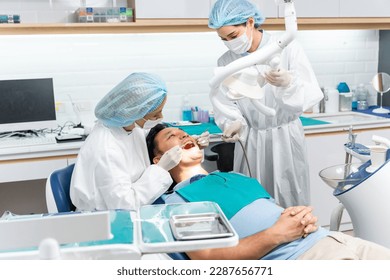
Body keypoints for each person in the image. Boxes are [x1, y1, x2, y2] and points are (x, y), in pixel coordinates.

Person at [145, 124, 390, 260]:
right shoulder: (180, 199)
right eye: (171, 136)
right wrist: (277, 233)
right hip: (302, 257)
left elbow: (275, 214)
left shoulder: (235, 177)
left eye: (184, 133)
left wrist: (298, 218)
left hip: (333, 239)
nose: (182, 135)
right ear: (159, 159)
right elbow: (208, 258)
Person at [208, 0, 324, 207]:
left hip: (285, 137)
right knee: (253, 201)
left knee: (290, 199)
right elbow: (227, 102)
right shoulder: (226, 61)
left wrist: (289, 84)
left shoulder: (287, 47)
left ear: (250, 22)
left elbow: (308, 98)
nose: (229, 42)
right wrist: (232, 122)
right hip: (252, 140)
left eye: (233, 36)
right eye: (223, 39)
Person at [70, 72, 186, 211]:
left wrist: (190, 140)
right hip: (106, 220)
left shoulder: (128, 125)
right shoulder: (107, 149)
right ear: (136, 112)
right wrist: (160, 170)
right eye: (156, 114)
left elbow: (145, 134)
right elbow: (125, 205)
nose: (161, 116)